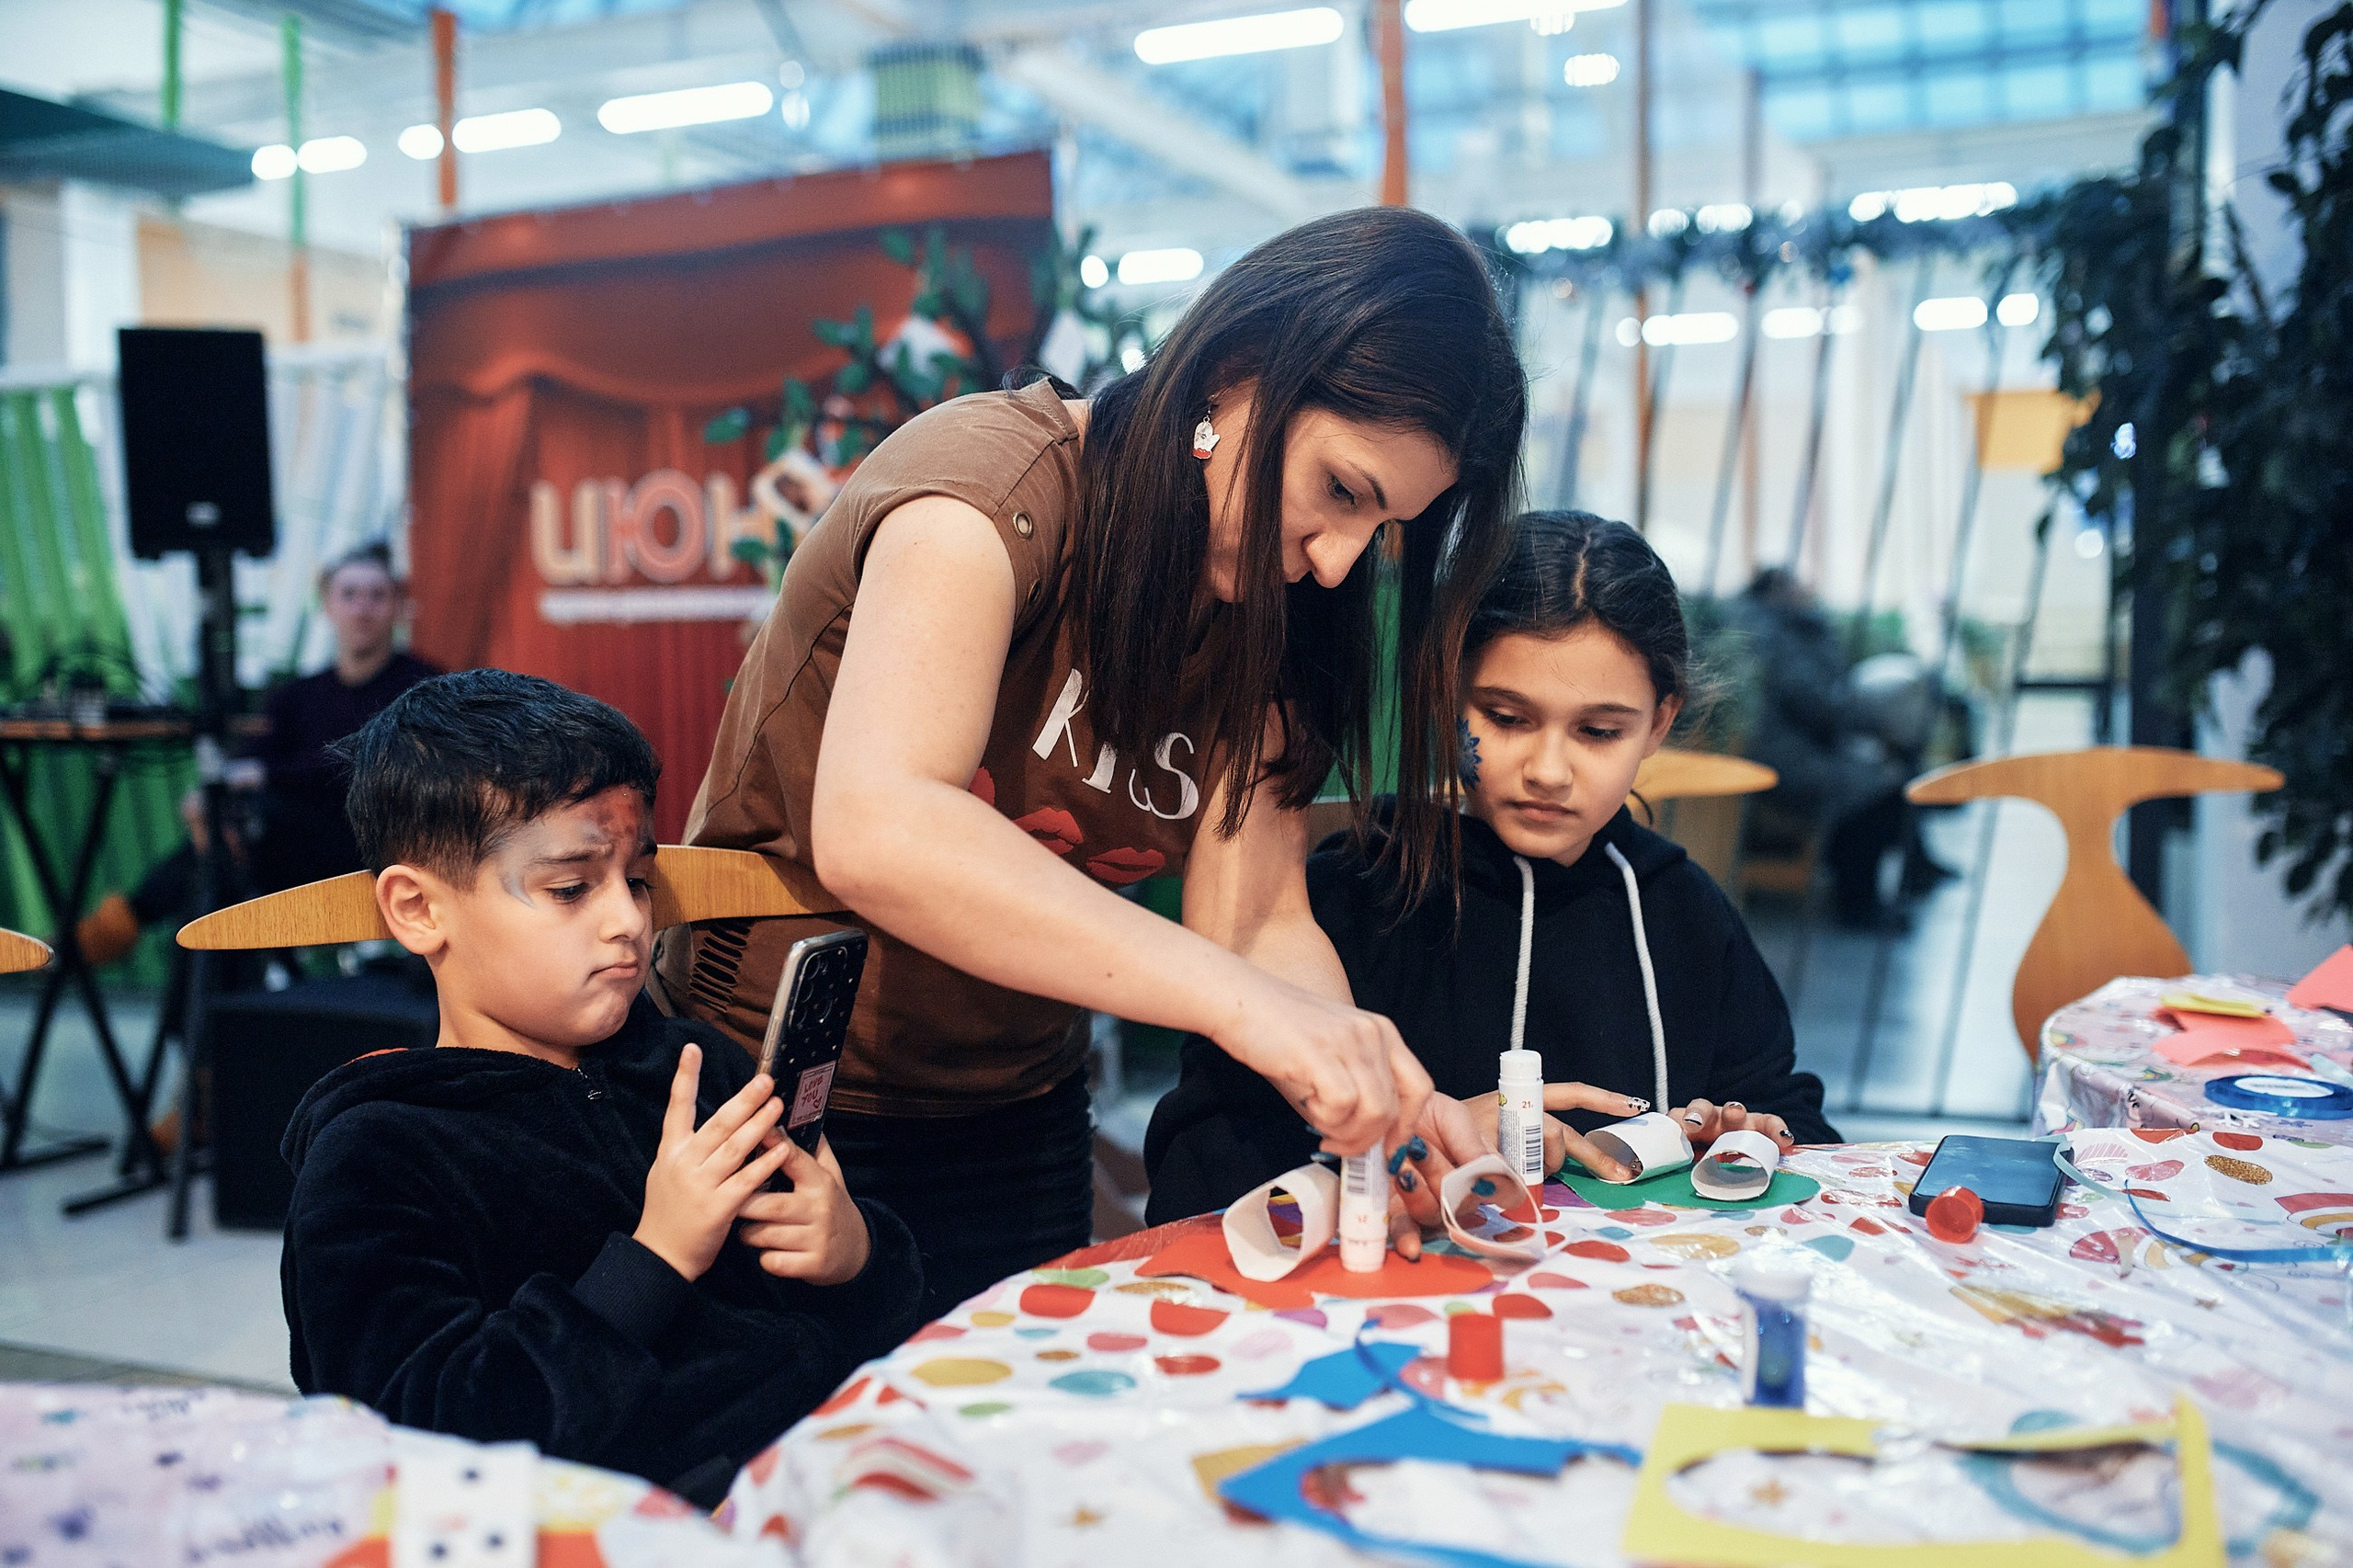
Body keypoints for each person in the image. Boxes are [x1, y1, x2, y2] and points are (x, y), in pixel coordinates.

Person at [658, 207, 1529, 1319]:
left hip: (1017, 1105)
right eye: (1342, 491)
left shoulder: (1270, 611)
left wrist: (1380, 1100)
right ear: (1235, 372)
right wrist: (1244, 1007)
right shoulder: (986, 490)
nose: (1337, 560)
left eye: (1384, 529)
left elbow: (1255, 920)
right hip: (776, 1102)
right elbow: (881, 825)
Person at [279, 671, 920, 1507]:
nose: (628, 920)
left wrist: (855, 1253)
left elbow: (862, 1319)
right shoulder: (375, 1158)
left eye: (638, 880)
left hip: (830, 1477)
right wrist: (656, 1259)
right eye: (571, 887)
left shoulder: (699, 1067)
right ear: (419, 910)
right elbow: (424, 1436)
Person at [1145, 513, 1838, 1221]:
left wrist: (1749, 1140)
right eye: (1507, 718)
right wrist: (1416, 1145)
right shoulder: (1349, 899)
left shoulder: (1687, 914)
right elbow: (1199, 1177)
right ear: (1445, 689)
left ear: (1659, 722)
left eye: (1599, 731)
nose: (1548, 771)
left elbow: (1799, 1127)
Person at [74, 540, 438, 965]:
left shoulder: (422, 690)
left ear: (397, 607)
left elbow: (369, 772)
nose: (363, 609)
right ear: (327, 605)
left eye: (377, 596)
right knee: (221, 846)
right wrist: (213, 801)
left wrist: (263, 780)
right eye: (350, 594)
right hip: (279, 845)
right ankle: (191, 975)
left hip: (369, 846)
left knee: (236, 842)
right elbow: (250, 762)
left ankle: (115, 933)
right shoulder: (298, 695)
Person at [1724, 567, 1915, 930]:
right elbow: (1814, 700)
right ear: (1778, 590)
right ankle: (1857, 905)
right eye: (1798, 584)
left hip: (1796, 746)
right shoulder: (1767, 630)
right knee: (1876, 789)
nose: (1808, 590)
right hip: (1777, 756)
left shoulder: (1783, 626)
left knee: (1885, 777)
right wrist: (1872, 725)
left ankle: (1884, 886)